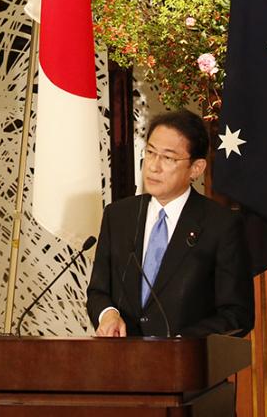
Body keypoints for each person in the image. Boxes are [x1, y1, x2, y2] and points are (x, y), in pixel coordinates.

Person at [86, 109, 254, 338]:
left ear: (196, 168)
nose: (154, 166)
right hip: (122, 366)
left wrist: (180, 344)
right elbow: (99, 291)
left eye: (167, 158)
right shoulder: (118, 216)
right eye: (151, 152)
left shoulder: (221, 225)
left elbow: (237, 314)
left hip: (187, 367)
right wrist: (108, 314)